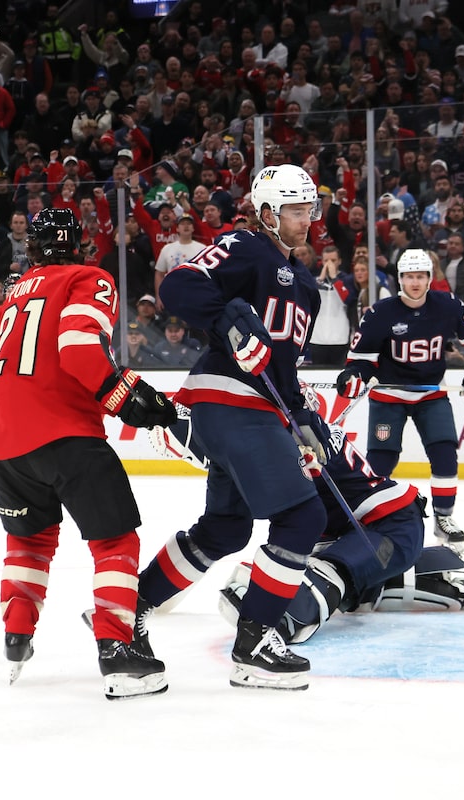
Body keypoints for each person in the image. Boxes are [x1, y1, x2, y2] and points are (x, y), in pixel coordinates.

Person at [0, 208, 176, 700]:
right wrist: (127, 397)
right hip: (64, 432)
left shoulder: (17, 292)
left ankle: (17, 633)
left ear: (33, 249)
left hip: (2, 440)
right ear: (78, 245)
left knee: (30, 542)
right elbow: (79, 351)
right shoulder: (90, 277)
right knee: (115, 541)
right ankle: (117, 651)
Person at [134, 163, 331, 691]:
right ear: (268, 213)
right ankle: (255, 642)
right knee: (303, 519)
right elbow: (179, 286)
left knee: (227, 528)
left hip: (254, 409)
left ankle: (130, 606)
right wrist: (223, 318)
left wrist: (304, 417)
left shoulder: (307, 288)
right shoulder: (245, 245)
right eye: (295, 208)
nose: (305, 217)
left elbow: (282, 370)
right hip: (228, 400)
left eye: (309, 208)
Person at [150, 408, 464, 643]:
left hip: (391, 527)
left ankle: (282, 620)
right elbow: (221, 530)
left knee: (323, 576)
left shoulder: (277, 439)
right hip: (351, 533)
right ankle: (414, 576)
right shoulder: (269, 431)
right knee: (315, 567)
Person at [335, 249, 464, 547]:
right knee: (381, 460)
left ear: (429, 278)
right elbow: (360, 359)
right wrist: (354, 375)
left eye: (421, 276)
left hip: (431, 394)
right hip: (389, 395)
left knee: (444, 451)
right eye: (409, 276)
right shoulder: (380, 313)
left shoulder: (446, 305)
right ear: (400, 279)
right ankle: (372, 517)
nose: (415, 282)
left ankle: (444, 518)